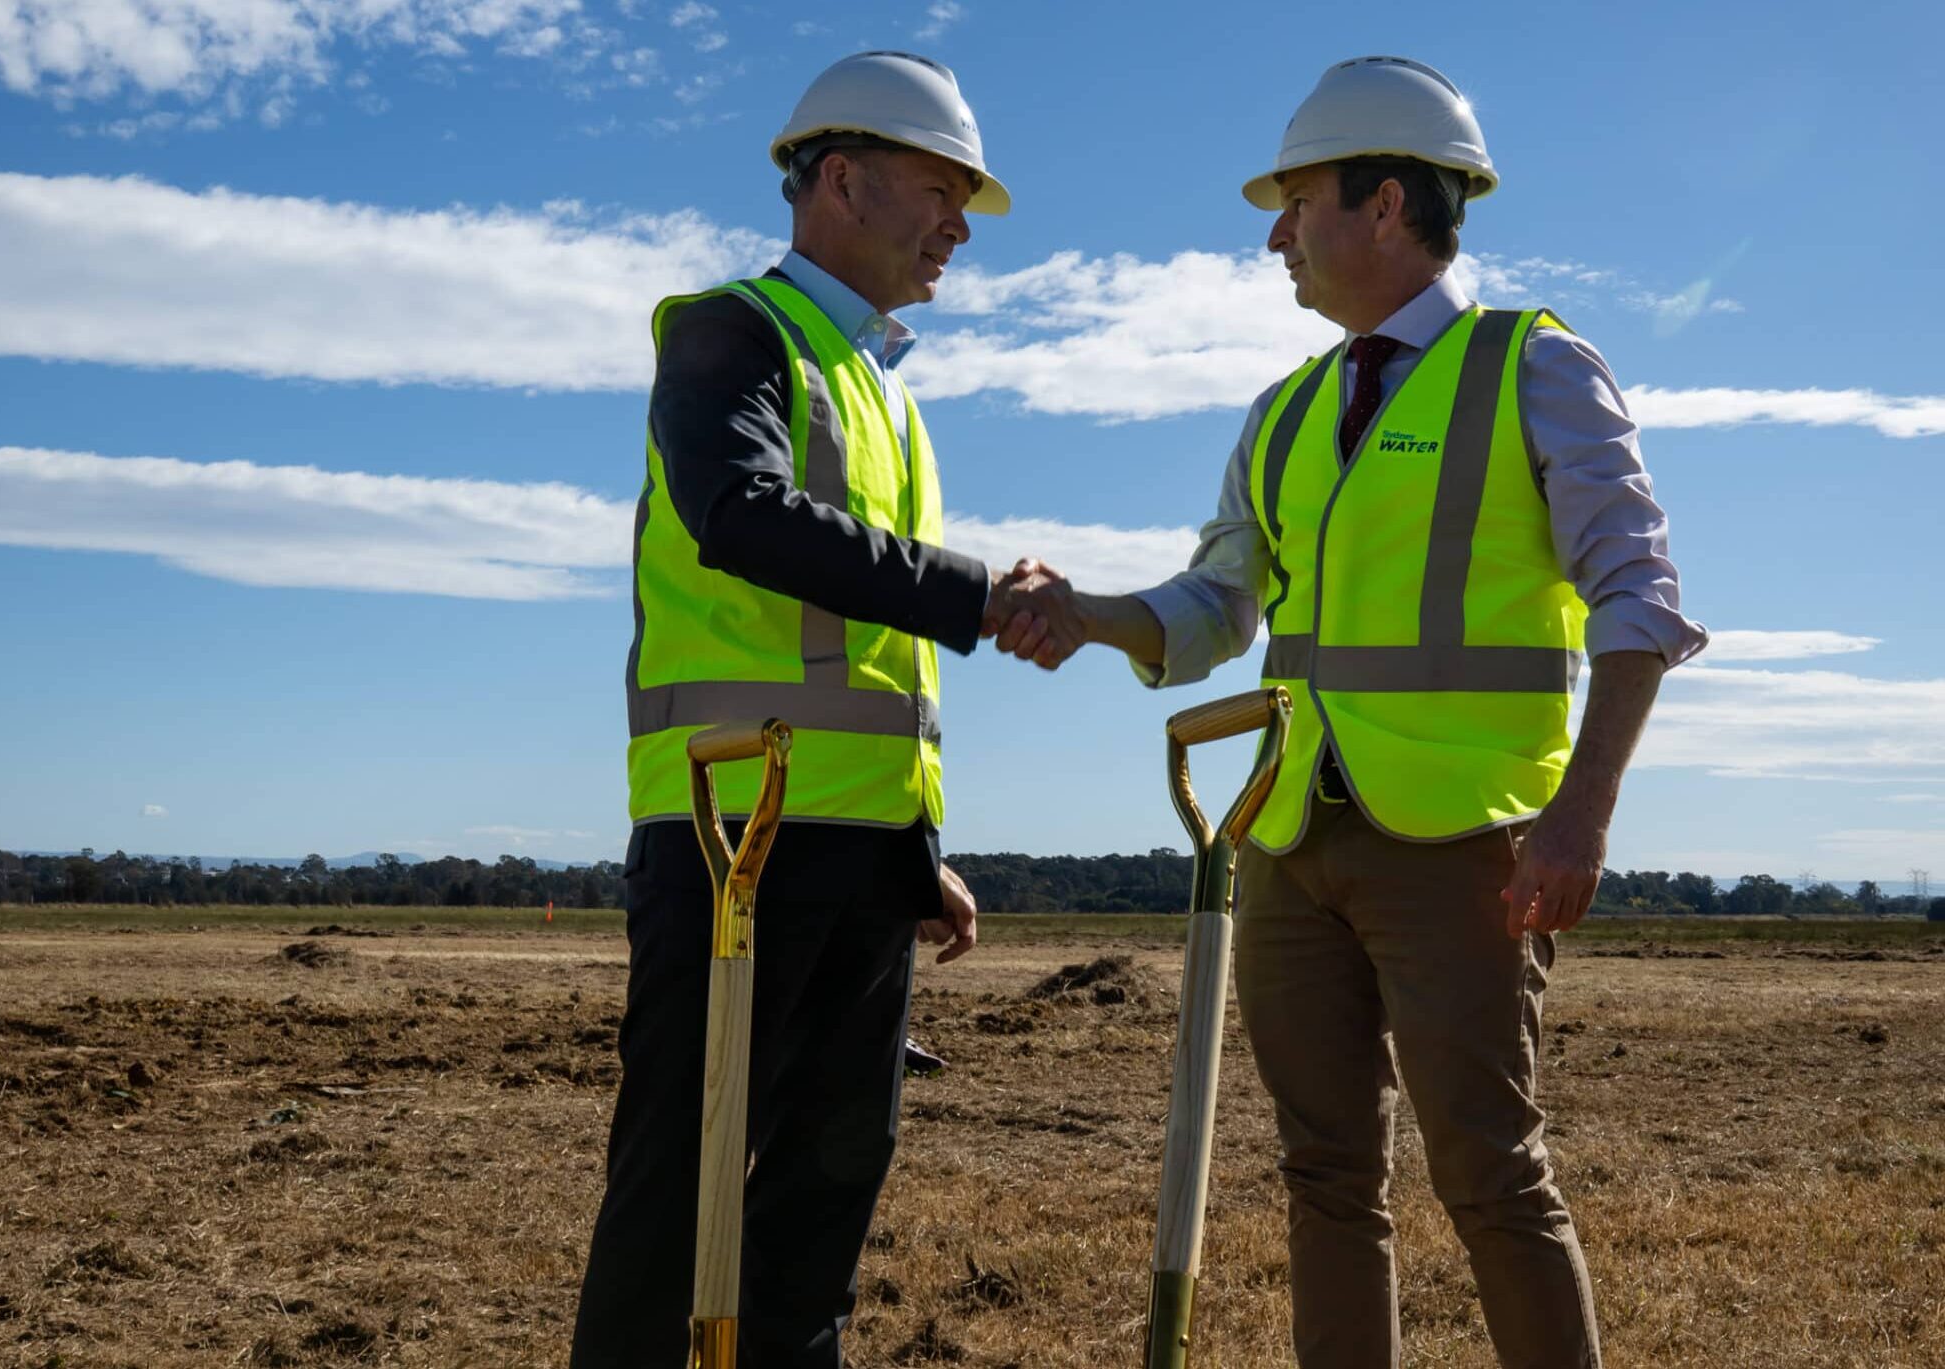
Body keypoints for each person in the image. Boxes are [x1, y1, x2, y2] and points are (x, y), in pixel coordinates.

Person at [994, 56, 1707, 1368]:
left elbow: (1641, 601)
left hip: (1468, 845)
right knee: (1325, 1176)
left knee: (1492, 1175)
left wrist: (1581, 815)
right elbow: (1218, 605)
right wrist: (1088, 611)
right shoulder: (1283, 415)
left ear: (1386, 205)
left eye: (1297, 201)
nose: (1275, 235)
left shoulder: (1533, 369)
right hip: (1288, 838)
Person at [570, 50, 1055, 1368]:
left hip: (852, 855)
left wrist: (914, 857)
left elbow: (865, 671)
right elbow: (741, 519)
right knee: (681, 1185)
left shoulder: (887, 393)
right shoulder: (729, 332)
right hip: (732, 835)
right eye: (941, 190)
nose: (961, 225)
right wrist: (972, 595)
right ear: (839, 178)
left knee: (827, 1191)